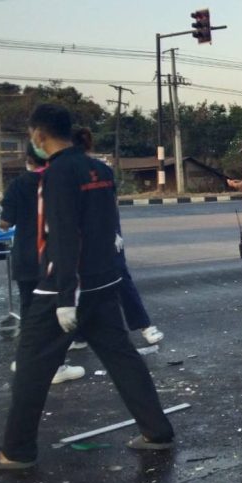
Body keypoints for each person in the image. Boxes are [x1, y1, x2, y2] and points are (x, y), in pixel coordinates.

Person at [0, 104, 174, 470]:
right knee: (123, 358)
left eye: (32, 135)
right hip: (103, 282)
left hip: (62, 290)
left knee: (31, 367)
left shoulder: (56, 174)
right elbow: (105, 224)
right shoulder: (99, 169)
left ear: (39, 135)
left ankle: (15, 451)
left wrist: (66, 296)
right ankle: (157, 431)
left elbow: (64, 234)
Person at [0, 143, 84, 385]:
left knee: (29, 311)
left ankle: (25, 360)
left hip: (25, 258)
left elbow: (5, 223)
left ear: (28, 159)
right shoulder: (56, 181)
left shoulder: (17, 184)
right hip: (50, 257)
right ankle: (56, 365)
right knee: (54, 312)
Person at [71, 127, 164, 347]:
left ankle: (144, 326)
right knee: (91, 283)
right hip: (99, 232)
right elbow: (111, 203)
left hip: (98, 234)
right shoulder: (97, 169)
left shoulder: (77, 171)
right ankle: (80, 334)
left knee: (116, 279)